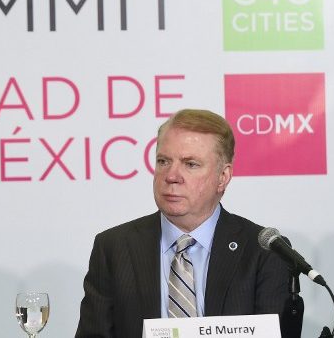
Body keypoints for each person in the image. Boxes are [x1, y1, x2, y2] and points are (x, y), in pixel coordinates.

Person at [75, 109, 292, 338]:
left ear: (223, 177)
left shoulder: (264, 252)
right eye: (163, 161)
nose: (171, 176)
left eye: (190, 164)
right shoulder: (114, 248)